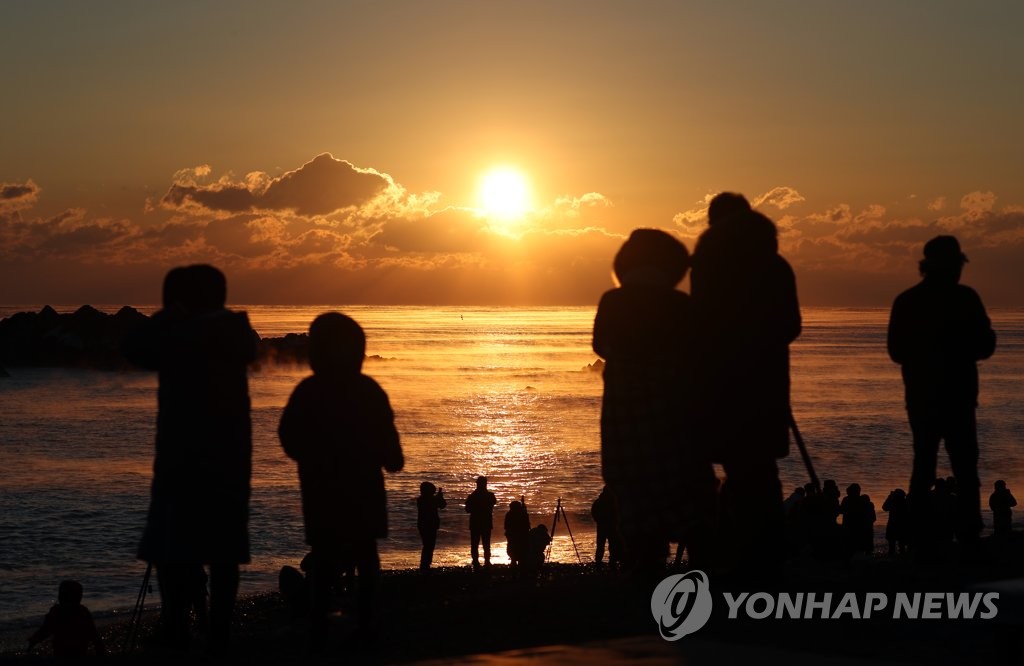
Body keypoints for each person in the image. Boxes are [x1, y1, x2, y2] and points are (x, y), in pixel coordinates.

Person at [122, 264, 256, 653]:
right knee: (221, 552)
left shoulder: (184, 334)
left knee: (171, 549)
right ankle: (217, 629)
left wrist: (167, 316)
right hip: (228, 462)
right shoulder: (233, 332)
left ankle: (178, 624)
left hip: (183, 460)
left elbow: (133, 349)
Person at [593, 228, 717, 576]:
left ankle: (647, 590)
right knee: (696, 514)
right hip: (676, 422)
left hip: (625, 421)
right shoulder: (680, 304)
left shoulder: (612, 301)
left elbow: (600, 346)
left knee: (639, 517)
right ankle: (707, 590)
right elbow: (702, 356)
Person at [689, 195, 802, 572]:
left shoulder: (707, 264)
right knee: (759, 471)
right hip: (765, 384)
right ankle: (764, 552)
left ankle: (724, 552)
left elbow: (699, 327)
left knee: (728, 470)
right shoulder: (775, 265)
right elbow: (791, 326)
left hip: (717, 383)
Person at [279, 312, 404, 649]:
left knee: (325, 555)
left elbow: (288, 436)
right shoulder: (368, 391)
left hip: (321, 491)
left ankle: (320, 625)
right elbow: (392, 452)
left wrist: (312, 458)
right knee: (366, 556)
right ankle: (365, 622)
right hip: (362, 491)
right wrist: (385, 456)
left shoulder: (309, 390)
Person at [887, 235, 996, 547]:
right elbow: (986, 345)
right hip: (957, 397)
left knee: (924, 467)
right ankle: (967, 534)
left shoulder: (907, 301)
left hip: (923, 398)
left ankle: (921, 536)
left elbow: (896, 351)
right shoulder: (965, 298)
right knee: (964, 467)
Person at [27, 580, 107, 659]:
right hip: (79, 652)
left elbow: (45, 630)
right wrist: (101, 651)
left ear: (61, 597)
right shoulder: (83, 611)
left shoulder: (56, 612)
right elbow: (94, 634)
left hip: (61, 652)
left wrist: (33, 640)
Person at [464, 476, 498, 569]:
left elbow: (467, 509)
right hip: (485, 522)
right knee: (485, 543)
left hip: (476, 522)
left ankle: (476, 561)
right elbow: (493, 503)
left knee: (475, 543)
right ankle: (486, 561)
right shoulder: (490, 495)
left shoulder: (473, 496)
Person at [591, 486, 623, 569]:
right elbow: (619, 513)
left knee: (601, 546)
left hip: (603, 526)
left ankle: (599, 562)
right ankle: (611, 562)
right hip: (610, 527)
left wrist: (598, 521)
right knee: (612, 545)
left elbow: (594, 512)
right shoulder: (614, 502)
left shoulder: (598, 502)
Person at [416, 482, 447, 571]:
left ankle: (425, 565)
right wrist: (440, 497)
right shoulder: (428, 499)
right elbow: (442, 505)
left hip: (424, 525)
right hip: (429, 525)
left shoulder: (421, 499)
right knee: (429, 546)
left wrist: (439, 497)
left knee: (427, 546)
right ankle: (425, 566)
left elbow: (440, 505)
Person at [882, 488, 910, 557]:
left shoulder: (893, 502)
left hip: (893, 526)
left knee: (892, 547)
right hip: (902, 526)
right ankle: (902, 560)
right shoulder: (905, 502)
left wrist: (889, 497)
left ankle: (893, 559)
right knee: (901, 546)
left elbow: (884, 507)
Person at [503, 500, 531, 567]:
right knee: (521, 549)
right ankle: (519, 562)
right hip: (520, 535)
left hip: (513, 535)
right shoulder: (523, 513)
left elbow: (506, 526)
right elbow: (527, 525)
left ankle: (514, 562)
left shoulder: (509, 514)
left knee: (513, 549)